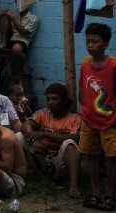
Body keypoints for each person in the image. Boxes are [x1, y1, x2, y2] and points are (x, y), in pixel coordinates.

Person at [19, 83, 82, 198]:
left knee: (69, 144)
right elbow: (26, 124)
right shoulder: (43, 113)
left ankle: (74, 187)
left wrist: (45, 134)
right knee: (19, 136)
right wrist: (33, 140)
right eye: (48, 99)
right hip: (42, 157)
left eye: (55, 99)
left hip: (61, 163)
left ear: (64, 100)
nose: (50, 102)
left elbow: (75, 138)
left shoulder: (75, 118)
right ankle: (19, 178)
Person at [78, 23, 116, 210]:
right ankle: (95, 193)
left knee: (113, 157)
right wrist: (85, 109)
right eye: (88, 41)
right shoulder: (85, 65)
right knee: (91, 155)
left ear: (105, 44)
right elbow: (81, 90)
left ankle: (112, 196)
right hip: (89, 120)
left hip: (110, 121)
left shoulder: (113, 66)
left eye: (95, 41)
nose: (90, 45)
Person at [0, 5, 39, 73]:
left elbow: (23, 32)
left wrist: (12, 18)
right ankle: (3, 43)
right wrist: (5, 16)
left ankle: (24, 58)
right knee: (3, 16)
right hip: (12, 38)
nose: (21, 5)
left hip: (22, 40)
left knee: (16, 49)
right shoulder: (16, 17)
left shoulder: (33, 18)